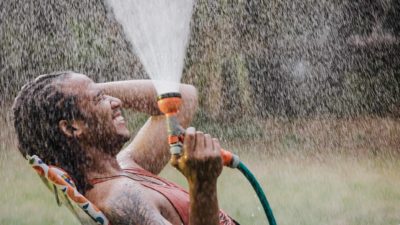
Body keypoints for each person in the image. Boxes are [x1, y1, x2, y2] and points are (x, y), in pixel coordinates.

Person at [13, 71, 239, 225]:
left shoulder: (126, 166)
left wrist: (84, 92)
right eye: (100, 99)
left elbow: (183, 98)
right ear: (72, 127)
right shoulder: (121, 198)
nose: (117, 101)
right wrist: (203, 184)